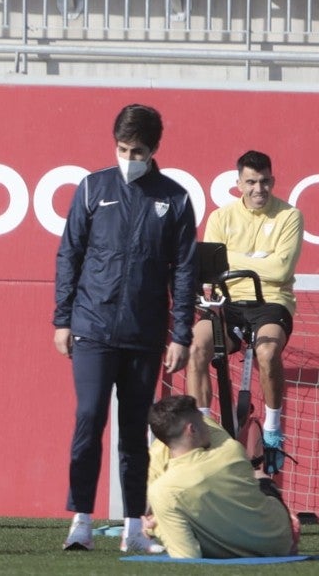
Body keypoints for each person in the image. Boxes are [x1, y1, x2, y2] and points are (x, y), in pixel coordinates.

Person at [53, 103, 198, 553]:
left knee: (135, 431)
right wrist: (62, 320)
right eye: (122, 149)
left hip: (144, 333)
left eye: (137, 151)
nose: (128, 158)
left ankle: (134, 527)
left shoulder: (175, 198)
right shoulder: (93, 187)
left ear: (153, 150)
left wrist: (180, 334)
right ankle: (80, 521)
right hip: (92, 328)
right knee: (89, 418)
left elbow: (185, 273)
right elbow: (69, 254)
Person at [185, 150, 303, 475]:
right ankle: (204, 435)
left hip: (271, 302)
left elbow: (281, 270)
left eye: (264, 181)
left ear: (272, 181)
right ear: (238, 184)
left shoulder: (290, 216)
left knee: (267, 352)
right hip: (228, 303)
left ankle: (273, 431)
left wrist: (232, 257)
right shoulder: (220, 217)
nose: (258, 189)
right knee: (196, 348)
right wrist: (259, 259)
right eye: (251, 182)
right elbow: (212, 270)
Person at [146, 395, 295, 559]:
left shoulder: (162, 491)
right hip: (282, 540)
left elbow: (187, 557)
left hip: (235, 551)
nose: (207, 425)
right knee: (258, 474)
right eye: (202, 421)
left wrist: (156, 527)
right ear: (192, 429)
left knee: (175, 512)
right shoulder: (232, 451)